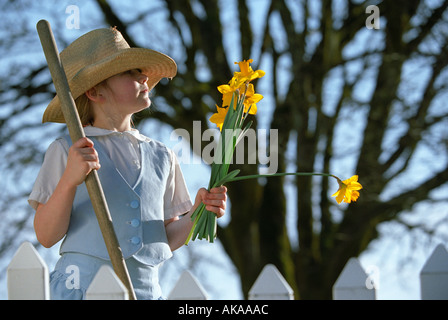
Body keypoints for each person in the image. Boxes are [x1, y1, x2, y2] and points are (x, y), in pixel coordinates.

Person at [28, 27, 227, 300]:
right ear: (95, 91)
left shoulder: (163, 156)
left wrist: (197, 215)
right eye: (130, 72)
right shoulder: (68, 150)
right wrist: (69, 181)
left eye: (141, 71)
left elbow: (163, 237)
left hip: (144, 293)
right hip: (82, 290)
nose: (144, 76)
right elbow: (47, 235)